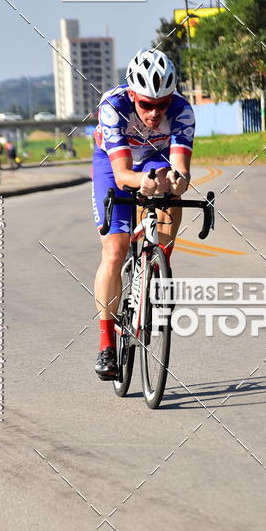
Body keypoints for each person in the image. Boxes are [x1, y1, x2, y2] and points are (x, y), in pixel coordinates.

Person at [91, 48, 194, 380]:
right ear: (133, 94)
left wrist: (174, 183)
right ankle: (106, 344)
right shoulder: (114, 107)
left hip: (154, 157)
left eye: (161, 104)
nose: (154, 113)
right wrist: (143, 182)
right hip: (113, 163)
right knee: (115, 249)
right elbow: (122, 175)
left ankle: (157, 269)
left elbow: (181, 171)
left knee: (170, 198)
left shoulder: (181, 111)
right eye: (146, 105)